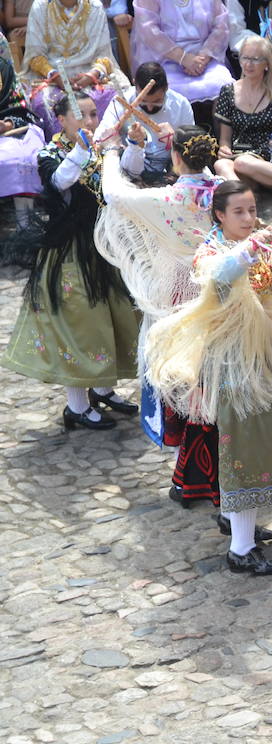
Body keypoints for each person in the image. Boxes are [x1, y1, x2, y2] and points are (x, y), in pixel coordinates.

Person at [145, 181, 272, 574]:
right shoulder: (211, 253)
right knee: (245, 448)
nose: (250, 218)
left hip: (270, 357)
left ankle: (242, 527)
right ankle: (240, 548)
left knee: (268, 439)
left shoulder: (258, 241)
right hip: (234, 365)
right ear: (219, 215)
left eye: (253, 209)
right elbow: (220, 277)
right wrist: (251, 249)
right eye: (239, 212)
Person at [1, 91, 139, 433]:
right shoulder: (49, 153)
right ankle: (76, 406)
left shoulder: (102, 148)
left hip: (106, 248)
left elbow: (125, 177)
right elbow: (60, 181)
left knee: (115, 317)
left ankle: (104, 389)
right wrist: (83, 150)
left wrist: (133, 146)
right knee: (79, 326)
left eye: (94, 114)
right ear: (61, 120)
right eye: (83, 115)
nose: (91, 121)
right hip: (70, 254)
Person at [94, 125, 220, 462]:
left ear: (175, 157)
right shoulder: (223, 192)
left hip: (177, 290)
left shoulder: (167, 198)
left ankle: (184, 442)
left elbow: (115, 195)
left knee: (176, 365)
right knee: (213, 364)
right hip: (220, 283)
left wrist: (110, 152)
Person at [20, 0, 126, 131]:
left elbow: (103, 55)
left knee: (112, 97)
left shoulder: (95, 6)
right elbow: (35, 56)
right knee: (42, 104)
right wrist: (56, 76)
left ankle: (106, 145)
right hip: (51, 77)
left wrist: (92, 75)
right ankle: (60, 148)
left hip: (89, 74)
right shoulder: (41, 6)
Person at [93, 62, 196, 185]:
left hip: (170, 170)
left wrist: (175, 141)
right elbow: (99, 139)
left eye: (157, 101)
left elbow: (193, 150)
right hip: (129, 170)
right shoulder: (120, 102)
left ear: (166, 87)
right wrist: (112, 140)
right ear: (134, 84)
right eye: (143, 101)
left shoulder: (181, 105)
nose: (150, 108)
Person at [212, 34, 272, 189]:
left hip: (269, 156)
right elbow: (225, 140)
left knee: (243, 162)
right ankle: (243, 198)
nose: (248, 64)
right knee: (222, 164)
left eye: (255, 59)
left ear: (267, 63)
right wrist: (224, 149)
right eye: (245, 58)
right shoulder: (228, 91)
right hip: (239, 156)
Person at [131, 0, 234, 105]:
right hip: (164, 60)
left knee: (223, 84)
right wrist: (183, 58)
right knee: (166, 90)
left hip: (204, 59)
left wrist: (203, 57)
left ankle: (218, 121)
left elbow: (221, 26)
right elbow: (148, 31)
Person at [0, 54, 43, 231]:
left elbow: (18, 109)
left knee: (24, 156)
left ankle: (26, 226)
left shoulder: (3, 67)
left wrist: (7, 124)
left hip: (7, 129)